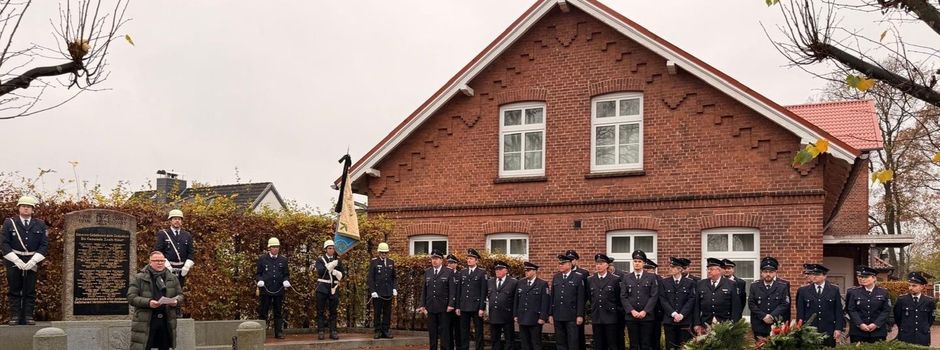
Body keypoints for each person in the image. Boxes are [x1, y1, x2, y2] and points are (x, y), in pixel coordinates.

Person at [2, 195, 49, 325]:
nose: (26, 209)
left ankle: (28, 316)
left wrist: (33, 261)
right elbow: (4, 243)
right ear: (19, 208)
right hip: (13, 260)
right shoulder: (9, 223)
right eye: (23, 206)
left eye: (29, 207)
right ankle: (15, 316)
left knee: (30, 290)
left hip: (32, 260)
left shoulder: (40, 224)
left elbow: (44, 245)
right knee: (14, 289)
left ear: (33, 209)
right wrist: (16, 260)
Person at [128, 251, 183, 350]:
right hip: (146, 320)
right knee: (144, 346)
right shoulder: (139, 278)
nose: (160, 263)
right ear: (150, 262)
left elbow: (180, 296)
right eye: (156, 260)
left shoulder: (172, 278)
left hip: (166, 320)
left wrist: (176, 302)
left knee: (165, 346)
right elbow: (131, 297)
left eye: (162, 260)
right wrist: (148, 302)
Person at [796, 263, 843, 347]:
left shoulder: (834, 290)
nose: (814, 276)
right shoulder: (803, 290)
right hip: (810, 330)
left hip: (828, 329)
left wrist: (838, 328)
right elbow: (800, 312)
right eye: (812, 274)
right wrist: (800, 329)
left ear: (824, 276)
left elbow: (838, 311)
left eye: (817, 274)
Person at [418, 249, 456, 350]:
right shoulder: (428, 272)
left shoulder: (448, 272)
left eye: (437, 259)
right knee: (432, 332)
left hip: (444, 307)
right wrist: (422, 305)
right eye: (433, 258)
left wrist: (451, 304)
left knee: (445, 332)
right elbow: (424, 290)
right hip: (431, 307)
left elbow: (452, 290)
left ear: (441, 260)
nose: (434, 261)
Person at [621, 250, 659, 350]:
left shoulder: (651, 277)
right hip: (631, 317)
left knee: (646, 344)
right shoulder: (626, 277)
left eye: (639, 261)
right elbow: (623, 296)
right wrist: (632, 311)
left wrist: (645, 311)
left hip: (646, 317)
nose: (637, 263)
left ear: (643, 263)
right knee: (633, 344)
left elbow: (654, 296)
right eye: (635, 261)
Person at [694, 258, 741, 335]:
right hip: (705, 323)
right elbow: (696, 306)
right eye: (708, 269)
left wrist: (733, 324)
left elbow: (736, 306)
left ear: (719, 271)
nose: (708, 271)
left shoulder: (731, 284)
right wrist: (697, 324)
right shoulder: (700, 283)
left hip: (725, 324)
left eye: (711, 269)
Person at [846, 265, 891, 343]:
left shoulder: (883, 292)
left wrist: (876, 324)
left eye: (866, 277)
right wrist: (860, 324)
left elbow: (886, 310)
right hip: (858, 332)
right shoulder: (854, 292)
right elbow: (851, 309)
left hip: (877, 332)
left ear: (874, 278)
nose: (863, 279)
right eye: (862, 277)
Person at [748, 257, 790, 340]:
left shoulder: (782, 286)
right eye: (765, 271)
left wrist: (771, 316)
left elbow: (784, 304)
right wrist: (763, 316)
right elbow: (751, 304)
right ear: (761, 273)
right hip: (759, 324)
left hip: (776, 324)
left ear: (775, 273)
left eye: (771, 272)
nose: (768, 274)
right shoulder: (754, 286)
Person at [550, 253, 585, 350]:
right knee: (560, 342)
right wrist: (550, 314)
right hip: (558, 315)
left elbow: (580, 298)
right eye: (559, 264)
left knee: (573, 341)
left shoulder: (578, 277)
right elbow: (552, 296)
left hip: (571, 315)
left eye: (563, 264)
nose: (560, 265)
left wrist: (579, 315)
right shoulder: (556, 277)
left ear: (569, 265)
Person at [256, 237, 290, 339]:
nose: (276, 249)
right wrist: (260, 280)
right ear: (269, 248)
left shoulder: (283, 260)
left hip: (278, 290)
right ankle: (260, 333)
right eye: (273, 247)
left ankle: (278, 332)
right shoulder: (262, 259)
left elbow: (286, 274)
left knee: (278, 312)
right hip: (266, 290)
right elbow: (258, 274)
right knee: (263, 312)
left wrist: (286, 280)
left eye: (277, 247)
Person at [154, 209, 195, 290]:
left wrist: (187, 265)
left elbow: (191, 252)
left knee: (179, 291)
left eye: (179, 219)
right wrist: (165, 264)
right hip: (167, 269)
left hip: (182, 270)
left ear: (182, 221)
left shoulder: (187, 235)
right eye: (175, 219)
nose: (177, 221)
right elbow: (158, 252)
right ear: (170, 221)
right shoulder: (163, 234)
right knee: (167, 291)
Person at [659, 257, 696, 350]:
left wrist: (682, 315)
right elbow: (663, 299)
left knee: (684, 346)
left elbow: (691, 300)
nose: (670, 269)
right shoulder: (664, 282)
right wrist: (674, 314)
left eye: (673, 267)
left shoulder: (690, 283)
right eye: (670, 266)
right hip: (669, 320)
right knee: (670, 346)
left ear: (679, 269)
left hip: (685, 321)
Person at [588, 254, 621, 350]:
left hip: (611, 317)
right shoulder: (590, 280)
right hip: (597, 316)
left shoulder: (615, 279)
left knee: (612, 344)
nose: (598, 266)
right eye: (597, 264)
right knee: (598, 344)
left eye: (601, 264)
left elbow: (618, 299)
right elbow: (591, 297)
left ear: (607, 265)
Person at [455, 248, 487, 350]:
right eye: (468, 258)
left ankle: (479, 348)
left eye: (471, 258)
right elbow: (459, 290)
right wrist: (458, 306)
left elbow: (483, 292)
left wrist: (482, 307)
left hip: (476, 306)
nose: (469, 260)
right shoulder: (462, 272)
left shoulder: (482, 273)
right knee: (464, 330)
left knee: (478, 330)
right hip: (464, 306)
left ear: (476, 260)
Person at [315, 239, 346, 340]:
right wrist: (331, 265)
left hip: (333, 288)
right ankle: (321, 331)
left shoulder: (338, 260)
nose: (331, 250)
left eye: (333, 248)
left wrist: (337, 273)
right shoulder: (320, 259)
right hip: (322, 287)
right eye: (329, 248)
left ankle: (333, 331)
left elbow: (343, 274)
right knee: (320, 311)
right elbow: (320, 271)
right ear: (325, 249)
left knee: (333, 311)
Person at [893, 271, 935, 346]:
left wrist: (924, 328)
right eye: (910, 285)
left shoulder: (929, 301)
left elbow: (931, 319)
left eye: (914, 286)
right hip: (906, 336)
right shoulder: (902, 300)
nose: (911, 288)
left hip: (922, 336)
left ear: (921, 287)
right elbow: (897, 318)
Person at [515, 261, 550, 350]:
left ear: (535, 271)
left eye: (529, 270)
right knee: (524, 343)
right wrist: (515, 314)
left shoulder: (542, 284)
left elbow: (545, 302)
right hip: (522, 317)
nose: (526, 272)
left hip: (535, 318)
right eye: (525, 270)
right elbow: (516, 300)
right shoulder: (520, 283)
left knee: (536, 343)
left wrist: (542, 317)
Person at [367, 242, 397, 339]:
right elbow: (371, 278)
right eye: (382, 252)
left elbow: (394, 277)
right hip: (378, 293)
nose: (384, 254)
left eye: (385, 252)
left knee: (387, 312)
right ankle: (377, 330)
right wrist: (373, 291)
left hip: (388, 291)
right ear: (379, 252)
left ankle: (385, 330)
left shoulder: (391, 262)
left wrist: (394, 288)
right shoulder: (374, 262)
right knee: (377, 312)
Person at [486, 260, 516, 350]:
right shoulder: (490, 281)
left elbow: (516, 300)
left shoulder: (513, 282)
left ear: (506, 270)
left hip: (507, 315)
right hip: (494, 315)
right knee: (495, 339)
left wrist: (515, 314)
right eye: (496, 269)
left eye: (500, 269)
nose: (497, 271)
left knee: (509, 339)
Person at [566, 250, 590, 350]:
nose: (571, 262)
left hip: (578, 307)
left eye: (572, 260)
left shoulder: (583, 273)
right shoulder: (563, 273)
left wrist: (581, 304)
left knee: (579, 333)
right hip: (566, 309)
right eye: (569, 260)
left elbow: (587, 291)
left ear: (576, 260)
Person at [644, 258, 663, 350]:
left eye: (648, 268)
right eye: (645, 268)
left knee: (655, 337)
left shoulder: (660, 279)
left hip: (656, 313)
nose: (646, 270)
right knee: (645, 338)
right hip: (644, 313)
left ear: (654, 269)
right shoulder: (642, 278)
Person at [446, 254, 461, 350]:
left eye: (452, 263)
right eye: (449, 263)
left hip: (457, 306)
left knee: (458, 329)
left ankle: (459, 347)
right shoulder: (445, 274)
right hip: (447, 306)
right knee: (447, 329)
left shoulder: (460, 275)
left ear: (456, 264)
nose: (450, 265)